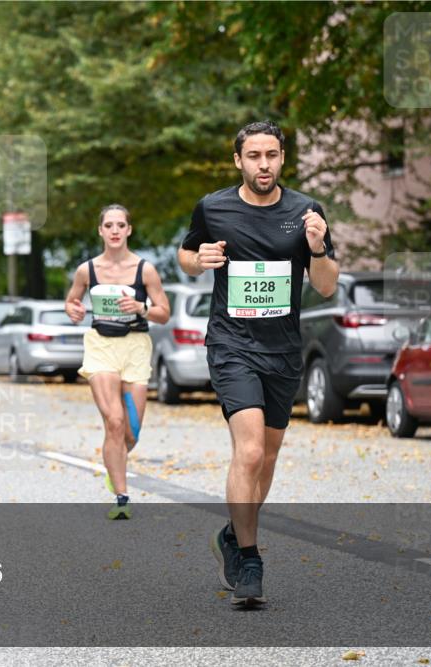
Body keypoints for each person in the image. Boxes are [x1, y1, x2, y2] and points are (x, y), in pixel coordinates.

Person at [178, 120, 338, 607]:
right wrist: (199, 258)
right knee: (247, 453)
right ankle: (249, 558)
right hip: (231, 344)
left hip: (283, 350)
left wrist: (316, 248)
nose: (262, 164)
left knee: (266, 459)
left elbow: (327, 285)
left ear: (282, 158)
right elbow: (185, 255)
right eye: (253, 156)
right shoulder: (214, 206)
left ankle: (231, 532)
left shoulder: (306, 211)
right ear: (238, 160)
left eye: (271, 155)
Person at [65, 204, 170, 521]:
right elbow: (72, 301)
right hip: (101, 346)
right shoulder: (87, 270)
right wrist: (74, 310)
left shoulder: (145, 270)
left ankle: (115, 464)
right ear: (100, 231)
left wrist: (141, 307)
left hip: (135, 347)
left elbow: (164, 312)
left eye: (120, 225)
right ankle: (122, 497)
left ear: (128, 230)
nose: (114, 230)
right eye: (108, 225)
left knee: (131, 432)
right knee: (113, 421)